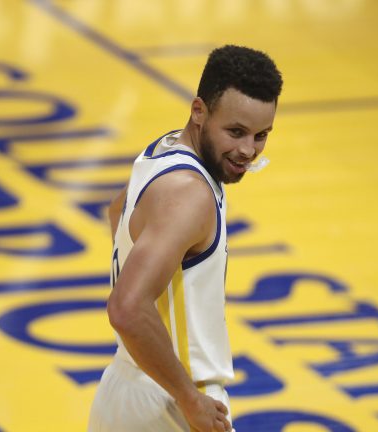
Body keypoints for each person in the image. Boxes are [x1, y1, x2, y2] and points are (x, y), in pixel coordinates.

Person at [88, 44, 283, 432]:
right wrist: (188, 398)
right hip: (169, 401)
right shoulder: (189, 194)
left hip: (127, 383)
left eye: (262, 135)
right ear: (199, 111)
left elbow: (118, 211)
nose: (247, 150)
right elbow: (126, 308)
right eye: (236, 132)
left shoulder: (162, 151)